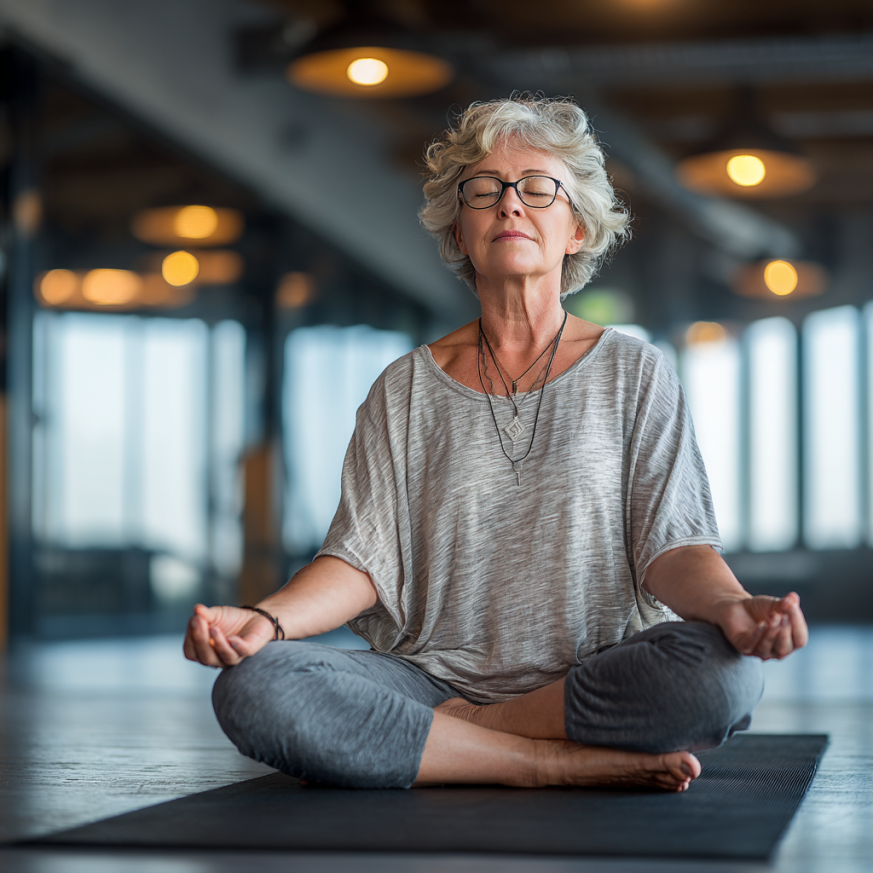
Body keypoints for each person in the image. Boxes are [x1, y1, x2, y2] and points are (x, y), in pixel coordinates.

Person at [184, 95, 807, 792]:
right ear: (459, 230)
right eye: (483, 190)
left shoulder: (634, 372)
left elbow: (674, 547)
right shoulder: (403, 389)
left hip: (592, 675)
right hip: (422, 679)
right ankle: (540, 760)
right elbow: (359, 562)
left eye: (538, 188)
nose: (510, 204)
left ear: (576, 228)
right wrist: (265, 620)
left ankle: (465, 739)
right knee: (255, 685)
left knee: (722, 674)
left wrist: (730, 608)